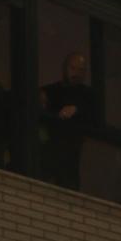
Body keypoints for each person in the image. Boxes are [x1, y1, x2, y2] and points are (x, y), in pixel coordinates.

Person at [38, 50, 93, 187]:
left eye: (81, 70)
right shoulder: (51, 91)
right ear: (65, 68)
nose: (76, 74)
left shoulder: (87, 96)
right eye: (73, 68)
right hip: (49, 149)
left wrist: (76, 109)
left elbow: (95, 116)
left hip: (71, 154)